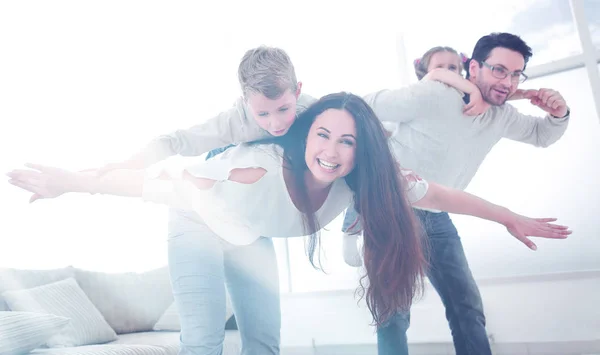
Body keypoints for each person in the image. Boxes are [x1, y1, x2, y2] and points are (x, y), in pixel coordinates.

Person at [7, 92, 570, 355]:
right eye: (322, 134)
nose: (331, 150)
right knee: (203, 339)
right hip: (196, 223)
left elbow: (442, 194)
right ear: (305, 135)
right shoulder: (258, 169)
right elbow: (163, 186)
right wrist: (74, 181)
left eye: (347, 140)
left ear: (360, 150)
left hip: (250, 236)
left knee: (264, 340)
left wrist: (508, 216)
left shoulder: (362, 180)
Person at [341, 32, 571, 355]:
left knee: (467, 308)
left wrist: (559, 114)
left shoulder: (500, 116)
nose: (509, 81)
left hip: (437, 216)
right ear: (473, 69)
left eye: (517, 74)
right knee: (393, 313)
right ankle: (350, 223)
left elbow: (540, 134)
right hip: (392, 211)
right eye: (500, 70)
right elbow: (364, 107)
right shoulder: (435, 95)